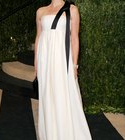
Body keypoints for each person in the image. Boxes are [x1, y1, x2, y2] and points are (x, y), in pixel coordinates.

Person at [34, 0, 92, 139]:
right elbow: (38, 36)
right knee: (47, 95)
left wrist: (74, 65)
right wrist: (36, 63)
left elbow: (74, 39)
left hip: (62, 60)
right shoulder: (40, 11)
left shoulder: (72, 9)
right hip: (45, 61)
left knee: (63, 94)